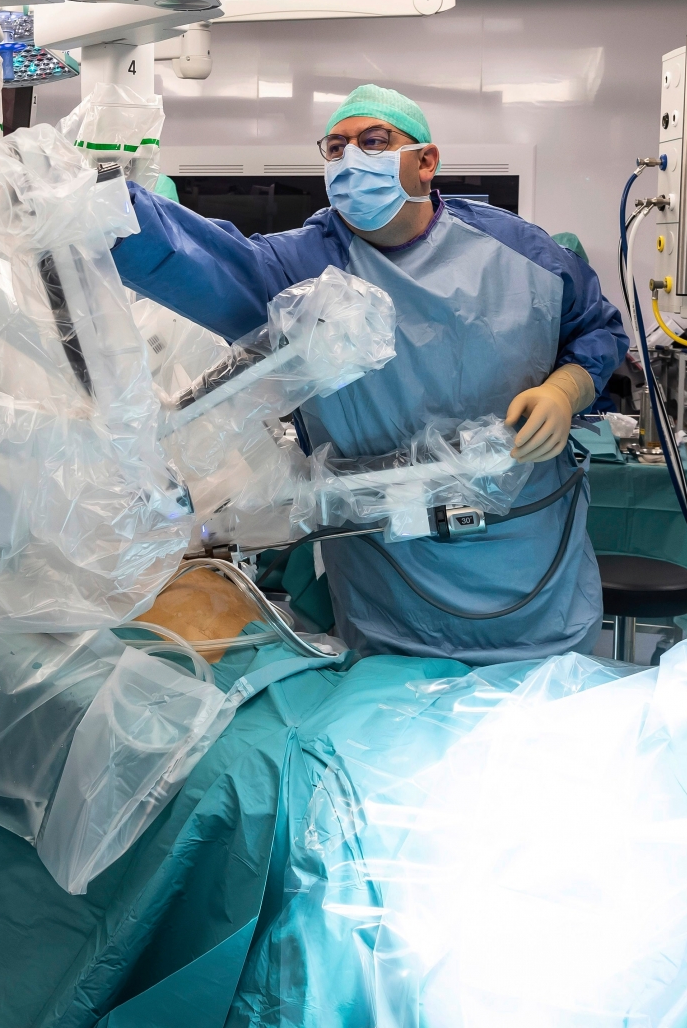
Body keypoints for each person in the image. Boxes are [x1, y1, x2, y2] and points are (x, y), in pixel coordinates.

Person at [112, 84, 629, 663]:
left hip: (526, 557)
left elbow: (599, 331)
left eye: (373, 142)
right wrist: (95, 201)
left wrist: (565, 390)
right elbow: (190, 257)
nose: (350, 159)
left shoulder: (520, 253)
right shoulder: (298, 268)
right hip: (387, 572)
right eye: (335, 148)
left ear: (426, 162)